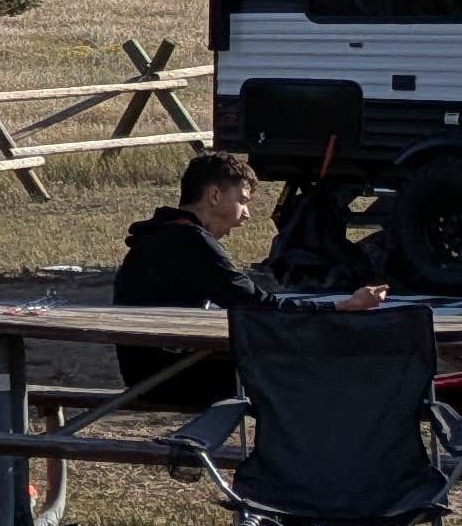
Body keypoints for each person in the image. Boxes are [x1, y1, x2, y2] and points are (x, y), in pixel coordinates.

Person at [112, 151, 391, 396]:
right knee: (304, 366)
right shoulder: (190, 241)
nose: (246, 215)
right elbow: (257, 305)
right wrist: (341, 307)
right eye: (242, 201)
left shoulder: (159, 235)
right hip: (168, 378)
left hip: (147, 370)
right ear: (215, 195)